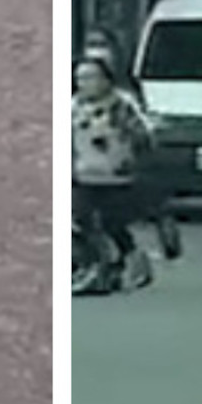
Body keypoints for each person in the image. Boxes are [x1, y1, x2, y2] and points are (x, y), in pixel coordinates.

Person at [73, 54, 156, 290]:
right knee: (82, 222)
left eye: (90, 77)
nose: (84, 83)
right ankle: (97, 267)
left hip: (117, 176)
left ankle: (131, 260)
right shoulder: (73, 107)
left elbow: (146, 134)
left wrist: (128, 137)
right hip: (83, 175)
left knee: (113, 224)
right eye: (80, 78)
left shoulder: (122, 105)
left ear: (106, 79)